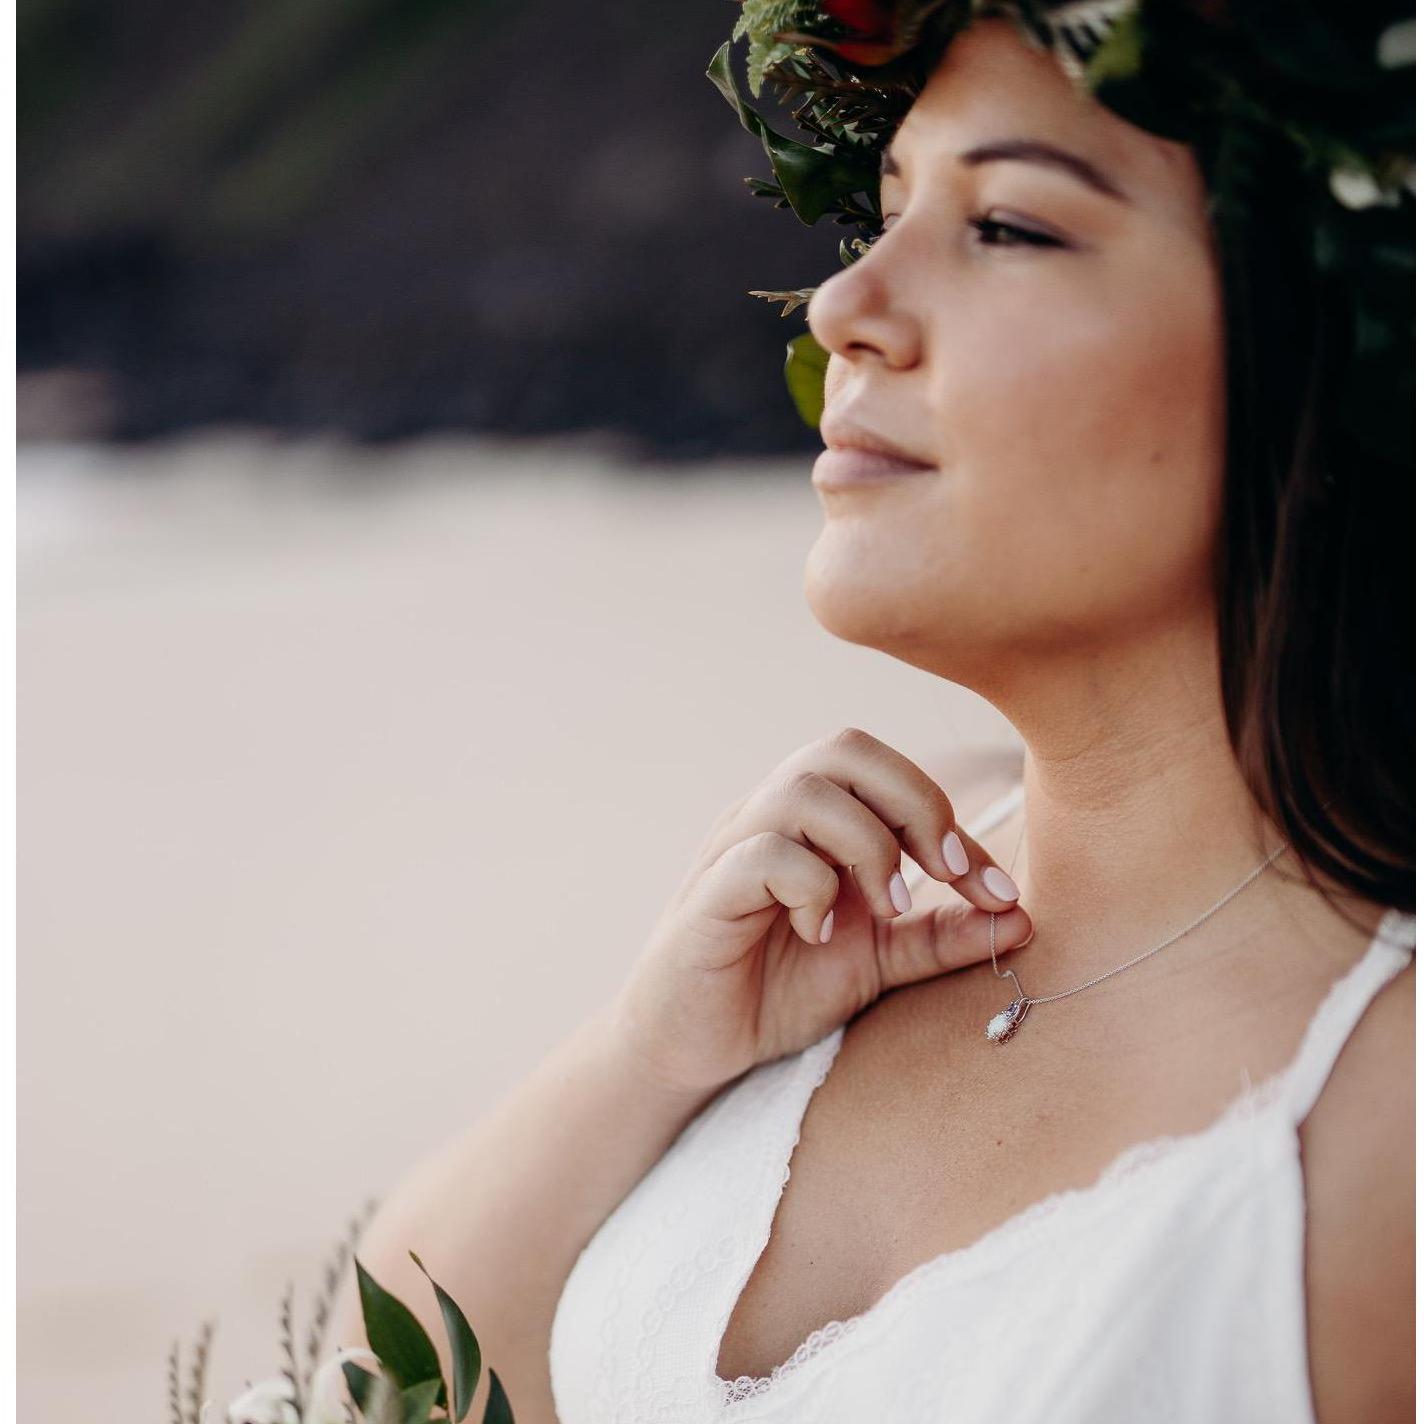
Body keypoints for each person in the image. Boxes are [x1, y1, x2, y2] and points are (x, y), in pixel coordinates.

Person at [329, 11, 1413, 1423]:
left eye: (1010, 228)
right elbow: (384, 1394)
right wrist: (649, 1057)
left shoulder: (1384, 1115)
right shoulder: (852, 907)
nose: (845, 308)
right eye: (887, 211)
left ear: (1345, 343)